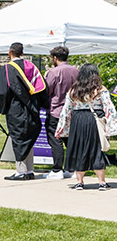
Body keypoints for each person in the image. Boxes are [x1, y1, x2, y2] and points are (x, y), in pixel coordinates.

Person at [56, 64, 113, 190]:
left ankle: (80, 182)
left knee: (79, 149)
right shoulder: (100, 89)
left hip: (78, 121)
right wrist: (111, 126)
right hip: (94, 120)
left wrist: (61, 128)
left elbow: (66, 110)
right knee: (96, 149)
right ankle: (102, 182)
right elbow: (109, 107)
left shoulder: (74, 90)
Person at [2, 43, 48, 181]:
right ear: (22, 53)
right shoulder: (32, 67)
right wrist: (40, 105)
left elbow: (2, 91)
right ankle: (29, 170)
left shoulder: (7, 68)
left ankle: (21, 171)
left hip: (16, 108)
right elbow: (43, 88)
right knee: (29, 138)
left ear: (10, 52)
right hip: (32, 109)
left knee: (19, 139)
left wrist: (4, 107)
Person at [42, 46, 79, 177]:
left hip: (56, 110)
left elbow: (47, 91)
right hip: (73, 110)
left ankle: (57, 169)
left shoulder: (53, 72)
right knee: (70, 140)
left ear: (55, 58)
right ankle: (71, 168)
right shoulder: (76, 71)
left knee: (55, 139)